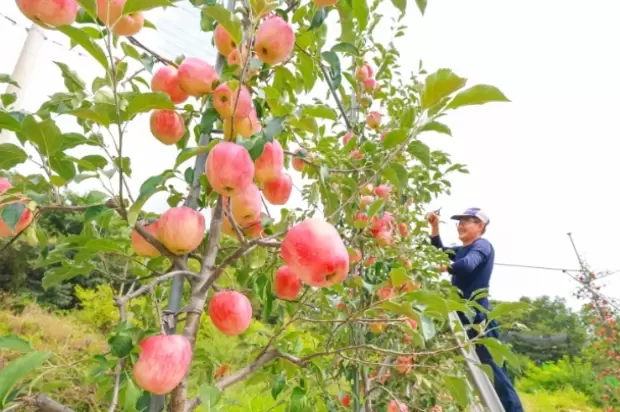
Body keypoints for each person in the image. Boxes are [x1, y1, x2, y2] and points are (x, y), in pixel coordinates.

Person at [427, 207, 523, 412]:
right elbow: (439, 252)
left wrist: (444, 268)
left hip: (478, 319)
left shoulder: (482, 246)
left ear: (480, 226)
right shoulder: (462, 250)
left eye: (467, 221)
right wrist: (434, 227)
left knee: (494, 372)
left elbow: (466, 266)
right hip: (461, 316)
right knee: (480, 370)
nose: (461, 225)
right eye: (459, 221)